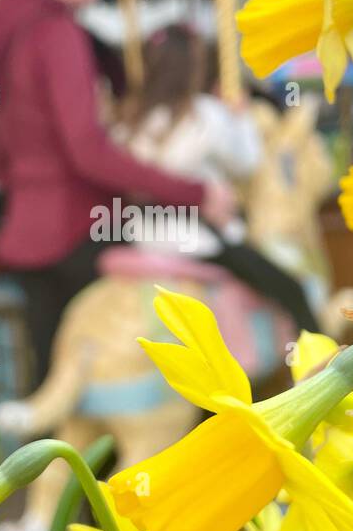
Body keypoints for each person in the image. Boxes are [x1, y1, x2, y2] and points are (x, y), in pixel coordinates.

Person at [0, 0, 234, 387]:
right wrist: (198, 194)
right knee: (155, 378)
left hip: (23, 236)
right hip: (82, 234)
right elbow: (88, 152)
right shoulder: (56, 32)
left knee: (48, 391)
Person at [116, 23, 318, 330]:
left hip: (143, 238)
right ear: (193, 68)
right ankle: (323, 362)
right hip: (201, 241)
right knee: (293, 290)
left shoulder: (128, 122)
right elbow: (248, 164)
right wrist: (241, 118)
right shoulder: (204, 115)